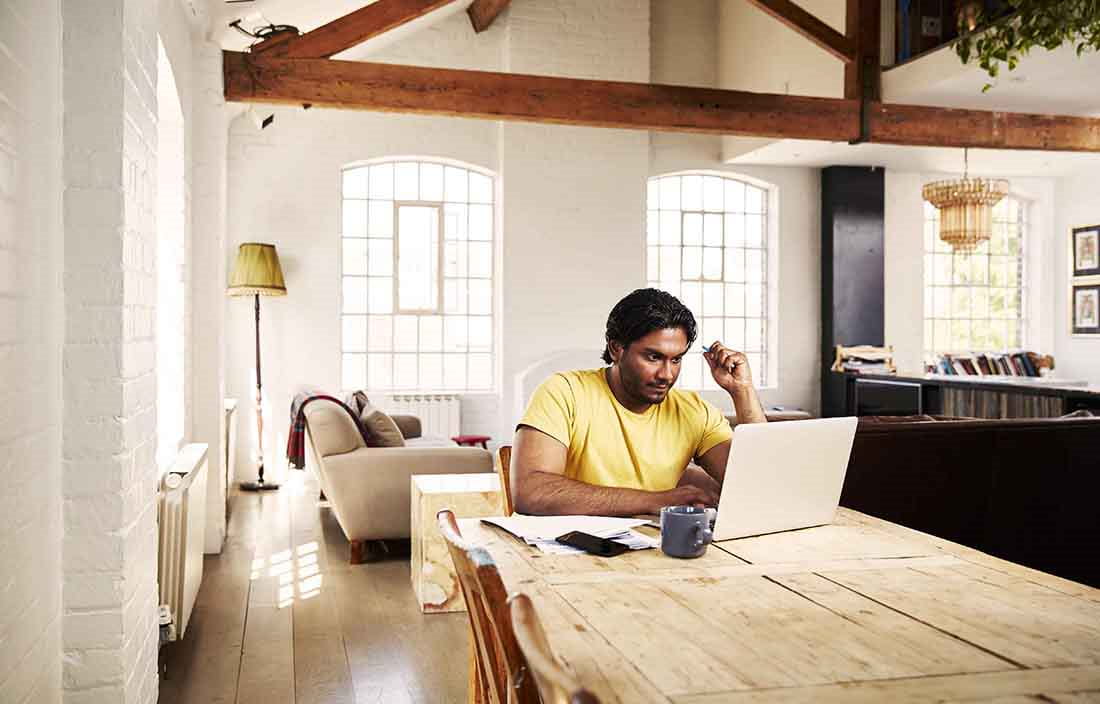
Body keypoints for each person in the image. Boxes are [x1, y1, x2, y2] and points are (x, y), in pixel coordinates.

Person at [511, 288, 767, 516]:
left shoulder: (695, 412)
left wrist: (742, 391)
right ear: (616, 349)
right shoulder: (564, 392)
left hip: (656, 554)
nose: (666, 374)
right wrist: (655, 500)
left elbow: (760, 484)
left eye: (676, 359)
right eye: (654, 357)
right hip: (571, 554)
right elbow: (532, 492)